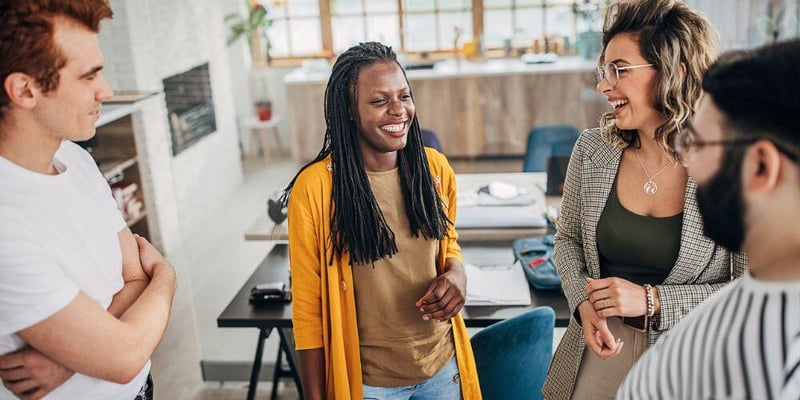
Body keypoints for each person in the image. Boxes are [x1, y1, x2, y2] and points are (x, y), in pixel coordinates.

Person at [542, 1, 747, 398]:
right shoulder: (591, 150)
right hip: (599, 355)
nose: (604, 85)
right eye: (604, 71)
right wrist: (583, 305)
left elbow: (750, 287)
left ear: (675, 72)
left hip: (694, 362)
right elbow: (566, 241)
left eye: (619, 69)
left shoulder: (730, 166)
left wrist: (652, 300)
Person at [282, 42, 481, 399]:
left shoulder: (434, 169)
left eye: (404, 96)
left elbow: (448, 242)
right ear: (349, 110)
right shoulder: (315, 189)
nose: (398, 110)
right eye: (378, 101)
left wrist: (456, 271)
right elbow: (308, 312)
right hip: (369, 384)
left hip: (441, 368)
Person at [0, 1, 177, 399]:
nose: (107, 90)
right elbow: (125, 355)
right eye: (88, 77)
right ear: (25, 90)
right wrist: (167, 278)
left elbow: (133, 277)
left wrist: (68, 358)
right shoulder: (6, 221)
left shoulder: (74, 159)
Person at [617, 38, 800, 400]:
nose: (690, 165)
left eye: (697, 145)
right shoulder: (686, 353)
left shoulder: (689, 357)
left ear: (761, 166)